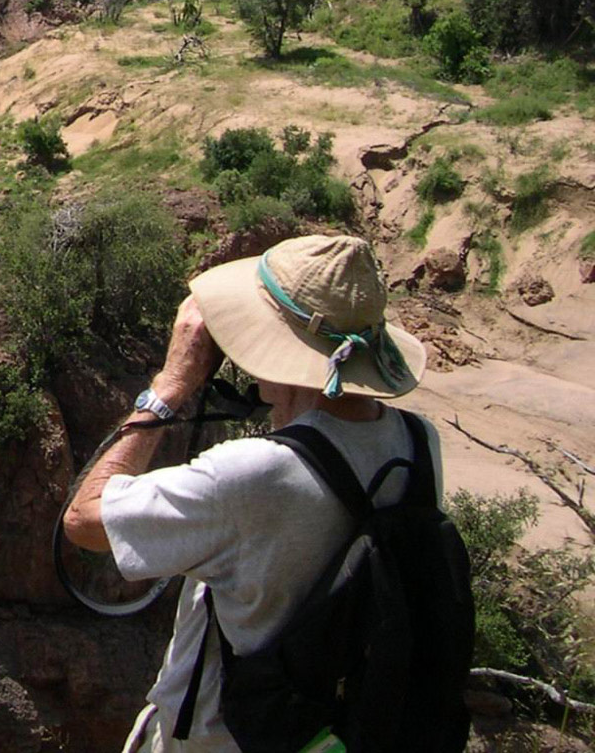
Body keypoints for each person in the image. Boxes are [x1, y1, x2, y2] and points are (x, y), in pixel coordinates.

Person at [61, 233, 438, 753]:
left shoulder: (255, 474)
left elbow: (84, 521)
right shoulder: (418, 444)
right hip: (334, 732)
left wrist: (169, 387)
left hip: (219, 739)